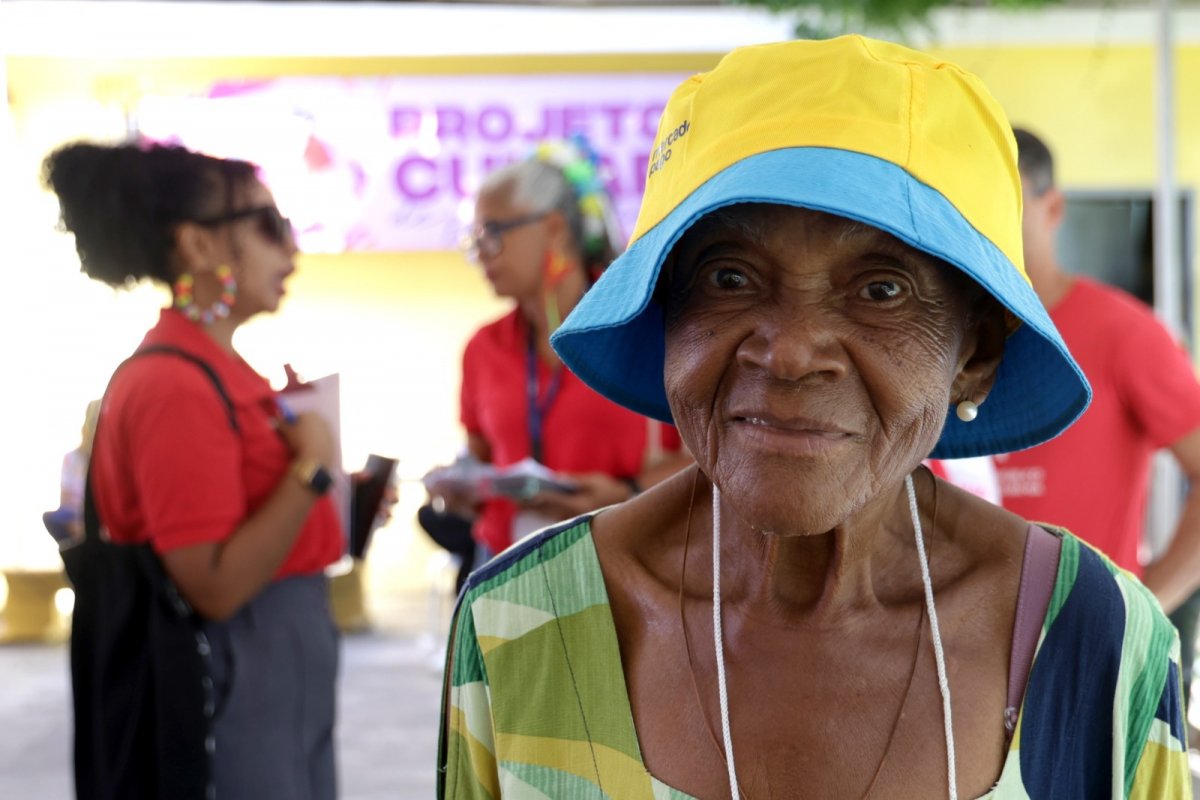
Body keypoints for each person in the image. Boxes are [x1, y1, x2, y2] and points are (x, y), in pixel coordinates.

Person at [438, 36, 1191, 799]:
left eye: (882, 289)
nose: (792, 353)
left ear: (976, 352)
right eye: (728, 277)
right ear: (665, 317)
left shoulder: (1099, 646)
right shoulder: (517, 627)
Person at [44, 141, 343, 799]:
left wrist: (331, 497)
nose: (289, 247)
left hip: (279, 664)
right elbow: (214, 584)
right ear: (199, 246)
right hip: (235, 672)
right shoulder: (175, 386)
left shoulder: (220, 369)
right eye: (267, 224)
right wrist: (311, 473)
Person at [995, 128, 1200, 698]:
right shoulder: (940, 343)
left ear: (1053, 208)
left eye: (1008, 205)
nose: (990, 225)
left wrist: (1140, 608)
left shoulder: (1123, 334)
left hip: (1087, 667)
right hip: (956, 654)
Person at [431, 136, 690, 561]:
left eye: (492, 233)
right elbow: (479, 459)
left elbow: (711, 462)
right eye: (474, 238)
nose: (480, 253)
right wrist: (462, 488)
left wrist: (628, 493)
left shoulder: (642, 327)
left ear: (553, 228)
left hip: (624, 559)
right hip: (508, 567)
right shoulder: (483, 347)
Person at [42, 398, 101, 543]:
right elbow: (66, 498)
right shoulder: (72, 458)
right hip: (75, 514)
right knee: (53, 518)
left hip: (95, 515)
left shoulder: (104, 459)